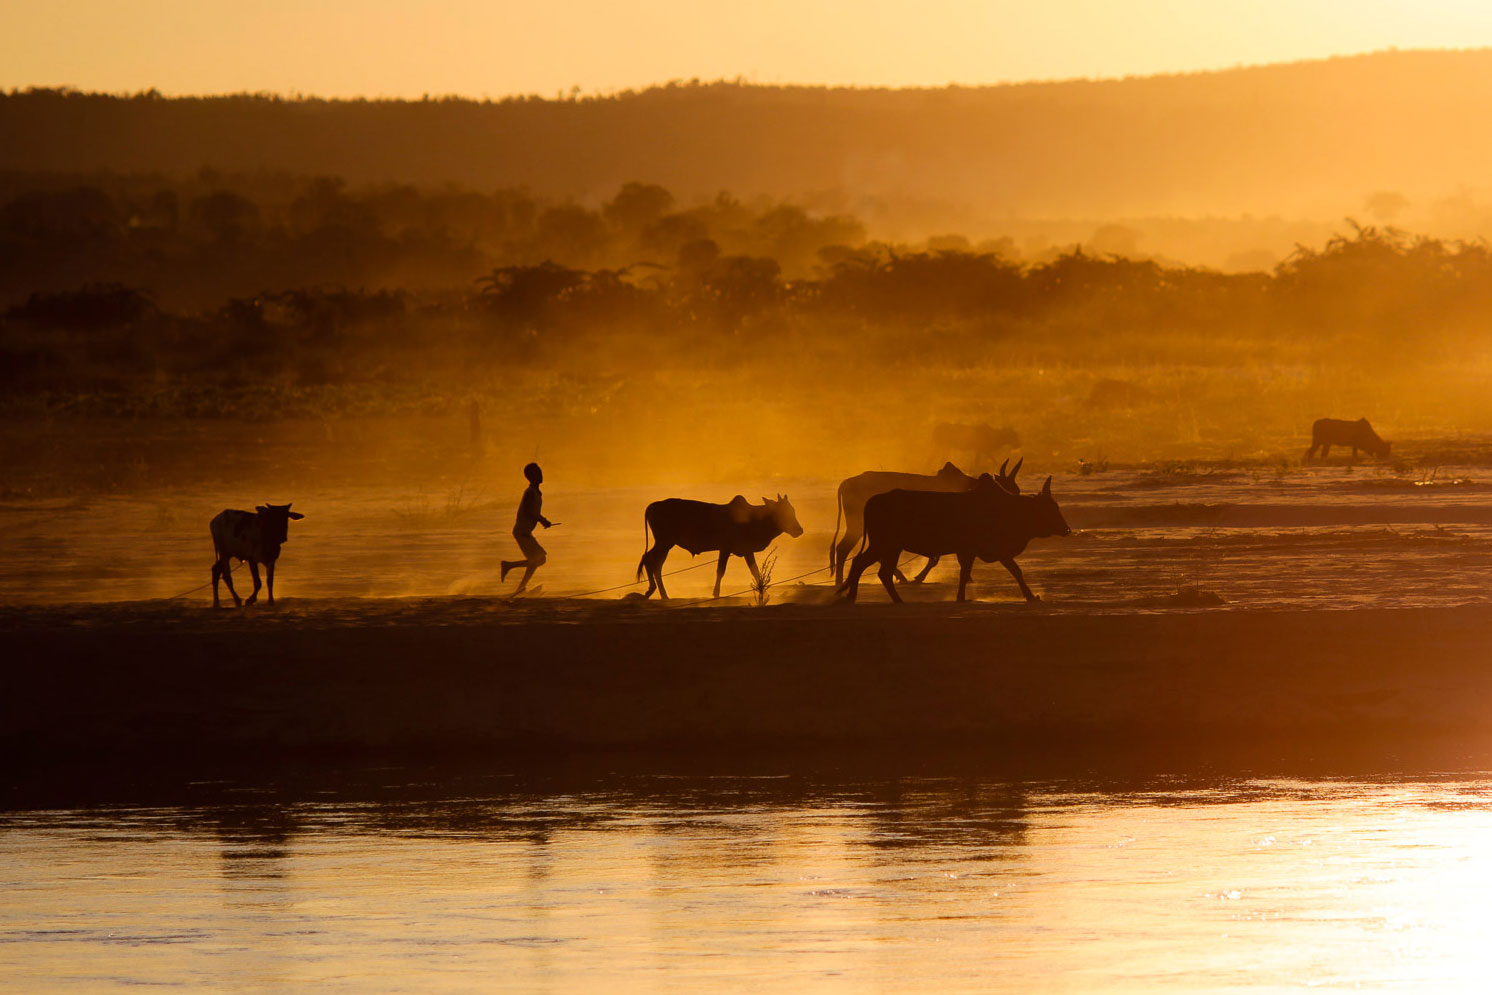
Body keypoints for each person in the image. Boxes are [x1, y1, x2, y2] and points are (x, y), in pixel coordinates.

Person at [500, 462, 555, 593]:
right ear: (530, 477)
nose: (541, 475)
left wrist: (542, 520)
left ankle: (520, 586)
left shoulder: (536, 492)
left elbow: (532, 512)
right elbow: (531, 512)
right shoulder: (530, 492)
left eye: (540, 472)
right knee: (539, 559)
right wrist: (544, 521)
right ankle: (508, 566)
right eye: (537, 473)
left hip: (525, 531)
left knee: (537, 560)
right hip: (522, 532)